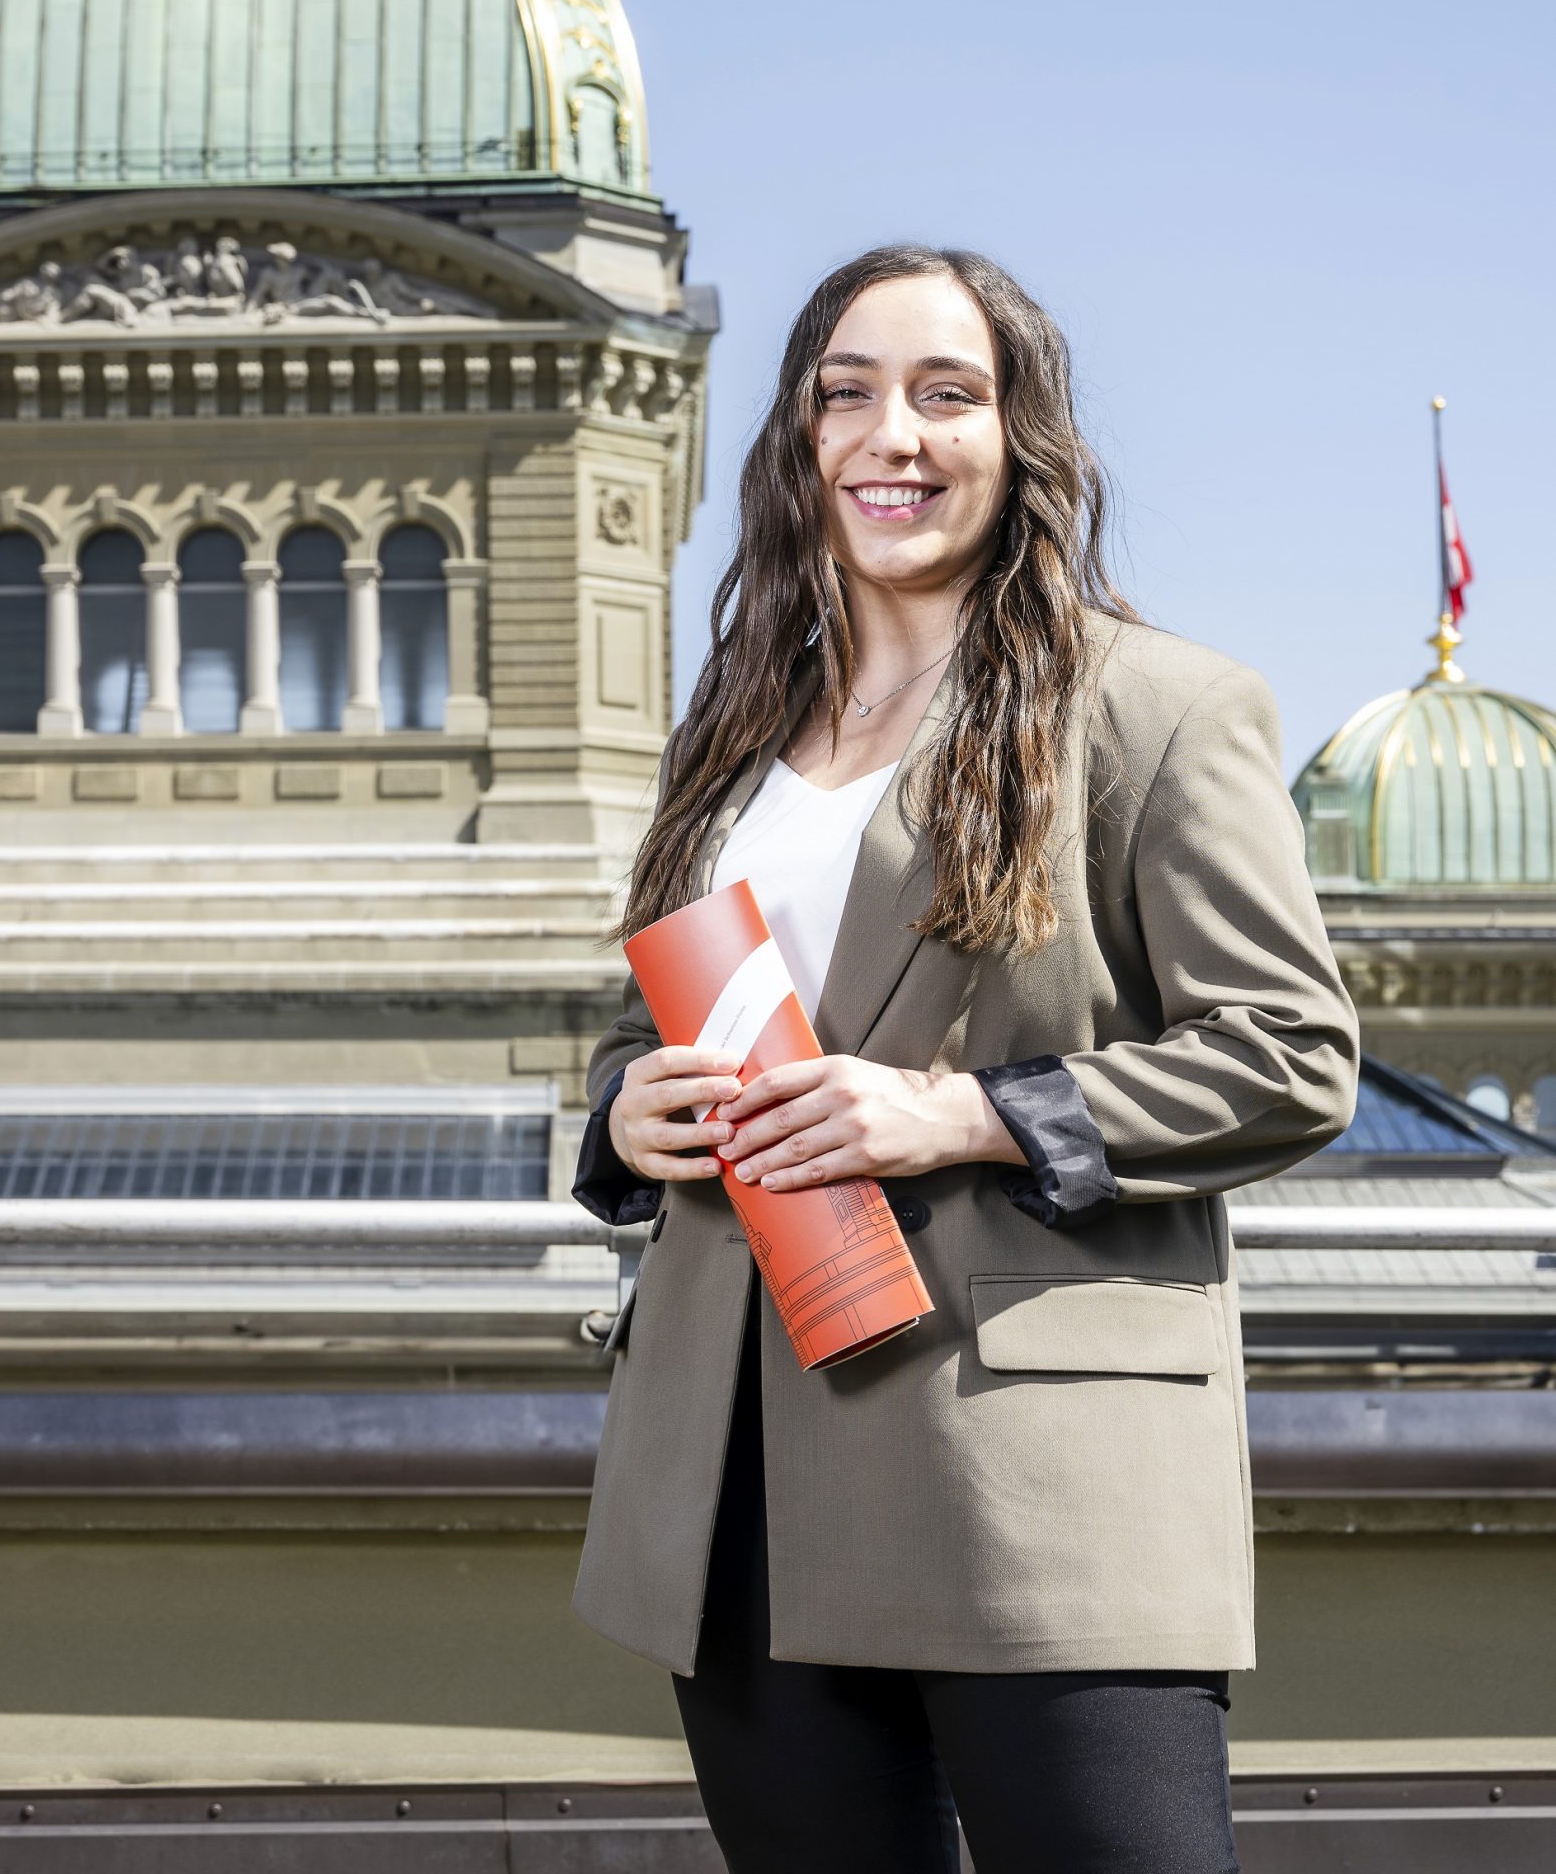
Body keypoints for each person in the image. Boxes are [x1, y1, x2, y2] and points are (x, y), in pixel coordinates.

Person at [570, 244, 1357, 1874]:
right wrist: (626, 1106)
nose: (894, 435)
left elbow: (1290, 1054)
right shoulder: (729, 732)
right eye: (846, 393)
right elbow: (664, 1021)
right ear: (799, 441)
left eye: (948, 394)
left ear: (1022, 437)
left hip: (1030, 1470)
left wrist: (965, 1114)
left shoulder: (1154, 708)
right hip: (734, 1470)